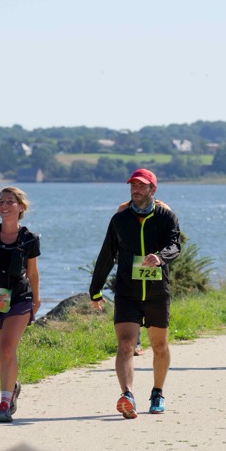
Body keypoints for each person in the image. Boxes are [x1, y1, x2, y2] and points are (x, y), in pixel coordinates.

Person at [88, 168, 181, 417]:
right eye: (132, 185)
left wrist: (160, 257)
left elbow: (175, 245)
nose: (135, 189)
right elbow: (107, 254)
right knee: (126, 344)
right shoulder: (120, 220)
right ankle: (127, 395)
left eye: (141, 185)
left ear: (153, 189)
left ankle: (157, 392)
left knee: (159, 345)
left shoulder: (166, 217)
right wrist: (95, 289)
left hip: (157, 292)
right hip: (127, 292)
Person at [0, 186, 41, 423]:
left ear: (20, 207)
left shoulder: (30, 239)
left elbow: (33, 273)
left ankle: (4, 403)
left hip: (20, 299)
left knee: (7, 349)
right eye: (0, 201)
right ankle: (12, 386)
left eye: (9, 201)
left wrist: (37, 299)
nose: (4, 206)